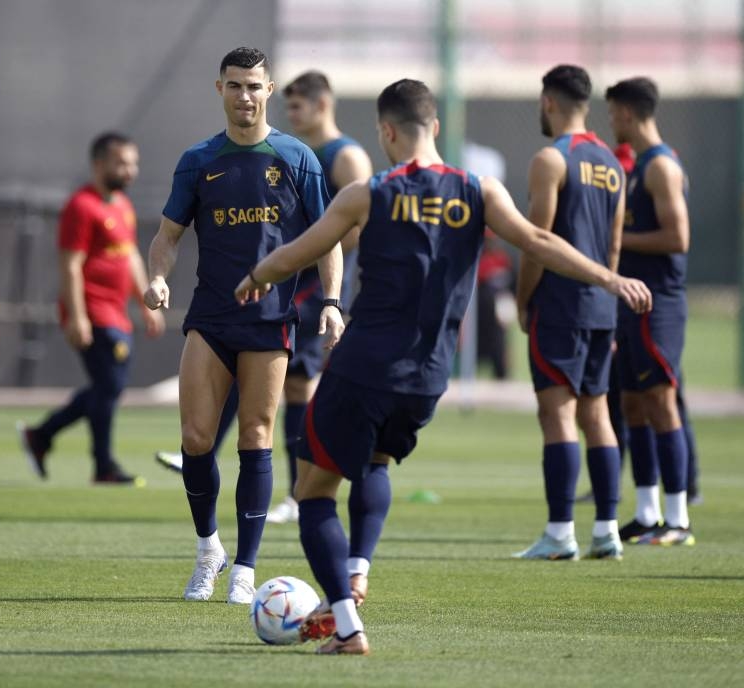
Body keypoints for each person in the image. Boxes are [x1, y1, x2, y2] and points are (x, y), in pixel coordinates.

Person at [234, 78, 651, 654]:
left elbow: (299, 252)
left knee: (313, 491)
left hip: (362, 367)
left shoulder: (368, 193)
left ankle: (349, 625)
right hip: (428, 376)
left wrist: (255, 278)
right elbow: (536, 239)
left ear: (386, 131)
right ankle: (358, 567)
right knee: (375, 461)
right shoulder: (480, 191)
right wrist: (611, 277)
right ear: (433, 126)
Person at [142, 47, 344, 605]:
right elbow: (167, 236)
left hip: (272, 319)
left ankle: (246, 569)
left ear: (269, 90)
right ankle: (209, 549)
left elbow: (328, 238)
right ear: (220, 89)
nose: (245, 96)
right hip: (210, 318)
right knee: (195, 439)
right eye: (235, 86)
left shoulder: (298, 157)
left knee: (256, 437)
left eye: (254, 86)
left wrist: (331, 301)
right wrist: (157, 277)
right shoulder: (199, 160)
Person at [512, 65, 626, 561]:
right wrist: (610, 298)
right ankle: (607, 529)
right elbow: (615, 249)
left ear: (548, 102)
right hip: (603, 306)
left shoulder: (550, 160)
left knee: (556, 413)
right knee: (597, 414)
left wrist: (521, 298)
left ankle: (560, 533)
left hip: (559, 303)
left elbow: (537, 242)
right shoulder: (612, 163)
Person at [18, 133, 164, 485]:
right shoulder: (81, 206)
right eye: (122, 163)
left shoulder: (122, 205)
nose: (130, 170)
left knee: (107, 386)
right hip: (93, 311)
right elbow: (70, 265)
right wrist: (78, 315)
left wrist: (146, 301)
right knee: (110, 384)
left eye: (133, 163)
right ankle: (103, 465)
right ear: (99, 164)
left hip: (116, 312)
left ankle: (43, 435)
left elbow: (128, 256)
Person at [606, 77, 694, 545]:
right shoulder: (638, 165)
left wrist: (615, 245)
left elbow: (678, 238)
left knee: (660, 401)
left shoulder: (660, 165)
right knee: (633, 403)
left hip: (660, 301)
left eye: (613, 112)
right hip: (634, 301)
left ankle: (678, 518)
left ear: (628, 113)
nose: (611, 121)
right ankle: (647, 511)